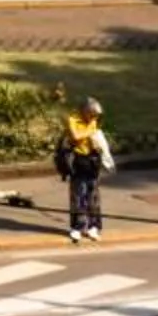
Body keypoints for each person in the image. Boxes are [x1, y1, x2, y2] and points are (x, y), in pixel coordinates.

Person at [58, 97, 116, 242]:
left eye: (95, 116)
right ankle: (77, 227)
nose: (94, 119)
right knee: (78, 194)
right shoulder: (73, 120)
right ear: (85, 112)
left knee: (93, 194)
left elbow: (94, 136)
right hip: (78, 159)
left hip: (92, 160)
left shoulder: (93, 122)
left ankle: (94, 226)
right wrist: (90, 133)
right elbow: (75, 136)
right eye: (92, 115)